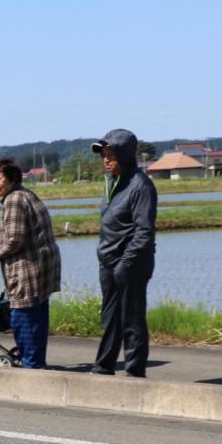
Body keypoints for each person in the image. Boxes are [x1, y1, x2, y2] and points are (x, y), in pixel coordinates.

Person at [90, 129, 157, 377]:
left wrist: (125, 264)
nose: (106, 160)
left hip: (131, 263)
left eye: (111, 155)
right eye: (104, 155)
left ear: (126, 155)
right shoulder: (111, 182)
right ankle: (104, 365)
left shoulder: (141, 186)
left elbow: (144, 232)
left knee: (131, 318)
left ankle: (134, 370)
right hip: (107, 260)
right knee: (109, 318)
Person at [0, 158, 62, 369]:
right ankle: (36, 363)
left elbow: (14, 239)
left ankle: (32, 366)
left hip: (28, 271)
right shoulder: (26, 193)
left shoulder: (14, 200)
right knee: (37, 318)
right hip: (41, 270)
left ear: (11, 179)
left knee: (23, 318)